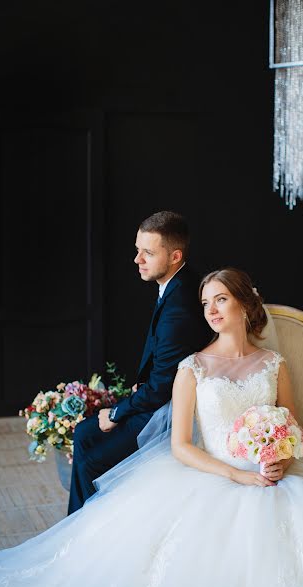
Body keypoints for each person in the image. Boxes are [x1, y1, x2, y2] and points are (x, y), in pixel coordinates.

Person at [0, 268, 303, 587]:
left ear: (245, 305)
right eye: (205, 303)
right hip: (211, 473)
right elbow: (180, 446)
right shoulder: (192, 368)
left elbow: (292, 426)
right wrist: (237, 475)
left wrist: (281, 457)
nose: (211, 310)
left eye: (220, 299)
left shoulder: (274, 364)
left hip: (274, 476)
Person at [67, 210, 210, 514]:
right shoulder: (179, 282)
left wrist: (117, 412)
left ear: (175, 256)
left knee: (91, 460)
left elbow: (160, 389)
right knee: (83, 434)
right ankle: (81, 521)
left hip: (172, 410)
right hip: (159, 394)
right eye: (137, 250)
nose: (137, 259)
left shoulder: (179, 309)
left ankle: (84, 528)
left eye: (147, 252)